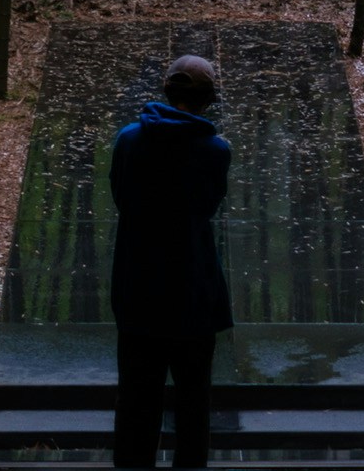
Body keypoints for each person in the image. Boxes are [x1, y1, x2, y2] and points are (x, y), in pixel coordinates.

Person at [108, 52, 233, 469]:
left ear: (166, 90)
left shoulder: (128, 140)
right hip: (193, 292)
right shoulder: (216, 151)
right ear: (208, 99)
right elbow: (207, 207)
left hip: (138, 288)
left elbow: (121, 197)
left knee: (135, 407)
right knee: (194, 407)